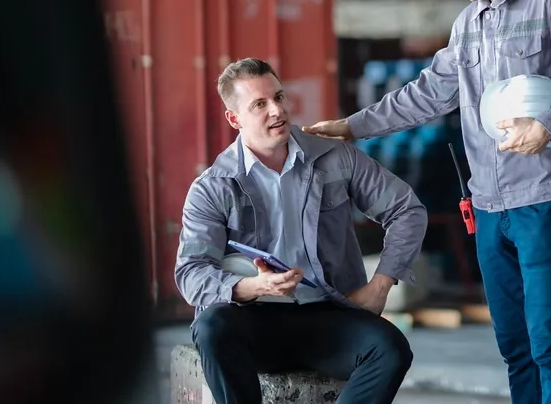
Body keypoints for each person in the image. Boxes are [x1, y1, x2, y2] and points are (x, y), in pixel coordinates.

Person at [305, 0, 551, 404]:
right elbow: (427, 93)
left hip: (548, 196)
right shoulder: (468, 25)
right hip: (489, 205)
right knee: (515, 347)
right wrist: (352, 127)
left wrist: (549, 123)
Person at [175, 57, 427, 404]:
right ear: (234, 119)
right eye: (259, 104)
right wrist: (251, 287)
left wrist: (381, 284)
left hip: (325, 316)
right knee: (212, 328)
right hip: (253, 320)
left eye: (278, 97)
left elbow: (407, 209)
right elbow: (190, 273)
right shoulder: (213, 186)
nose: (276, 110)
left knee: (390, 349)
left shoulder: (335, 157)